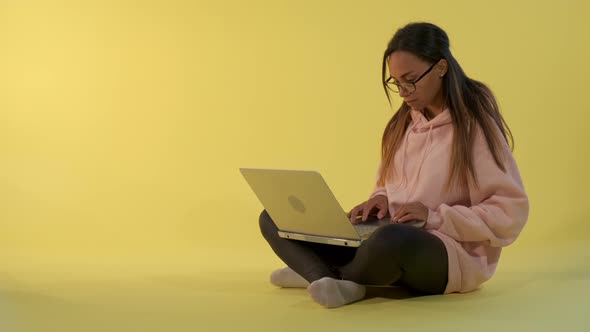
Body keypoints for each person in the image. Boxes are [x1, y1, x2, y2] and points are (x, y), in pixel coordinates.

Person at [259, 22, 529, 308]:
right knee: (274, 216)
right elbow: (389, 185)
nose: (403, 91)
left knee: (391, 239)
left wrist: (433, 217)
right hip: (387, 236)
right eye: (396, 82)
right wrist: (379, 199)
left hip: (446, 251)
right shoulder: (402, 124)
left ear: (441, 68)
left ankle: (316, 272)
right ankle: (327, 278)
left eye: (410, 80)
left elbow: (509, 213)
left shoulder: (475, 127)